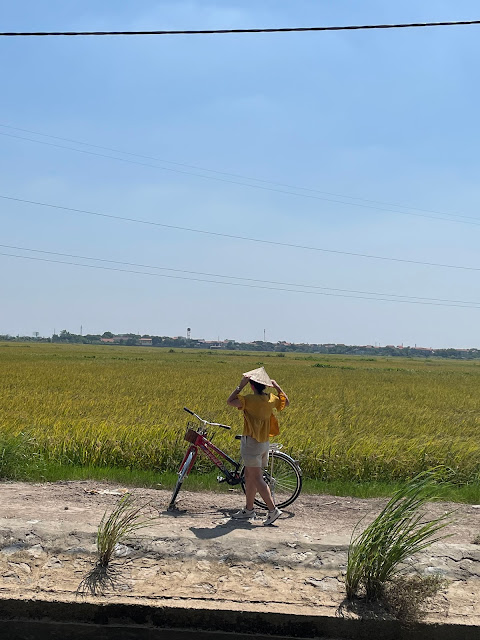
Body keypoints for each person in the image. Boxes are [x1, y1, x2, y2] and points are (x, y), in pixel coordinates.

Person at [227, 369, 289, 525]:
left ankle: (273, 510)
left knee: (256, 478)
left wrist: (240, 386)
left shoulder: (248, 400)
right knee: (249, 476)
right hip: (264, 443)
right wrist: (277, 387)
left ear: (252, 386)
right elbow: (285, 402)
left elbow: (230, 401)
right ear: (265, 386)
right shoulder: (271, 398)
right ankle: (249, 510)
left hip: (252, 443)